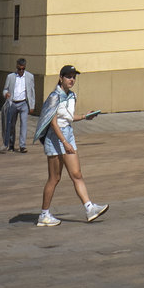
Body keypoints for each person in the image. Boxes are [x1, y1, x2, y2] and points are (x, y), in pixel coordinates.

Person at [35, 65, 108, 226]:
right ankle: (44, 214)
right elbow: (52, 122)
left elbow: (67, 117)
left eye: (74, 77)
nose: (72, 79)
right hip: (55, 137)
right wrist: (64, 142)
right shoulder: (55, 96)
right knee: (54, 178)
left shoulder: (72, 96)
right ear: (61, 78)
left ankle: (89, 208)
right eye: (68, 76)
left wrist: (84, 116)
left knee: (77, 174)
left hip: (67, 133)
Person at [0, 57, 35, 153]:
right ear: (16, 67)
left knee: (24, 124)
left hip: (24, 103)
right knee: (11, 125)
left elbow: (32, 91)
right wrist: (6, 94)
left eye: (23, 69)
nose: (21, 71)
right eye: (19, 69)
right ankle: (11, 144)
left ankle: (22, 145)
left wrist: (32, 105)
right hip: (13, 103)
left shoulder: (30, 77)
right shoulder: (10, 77)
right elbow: (5, 89)